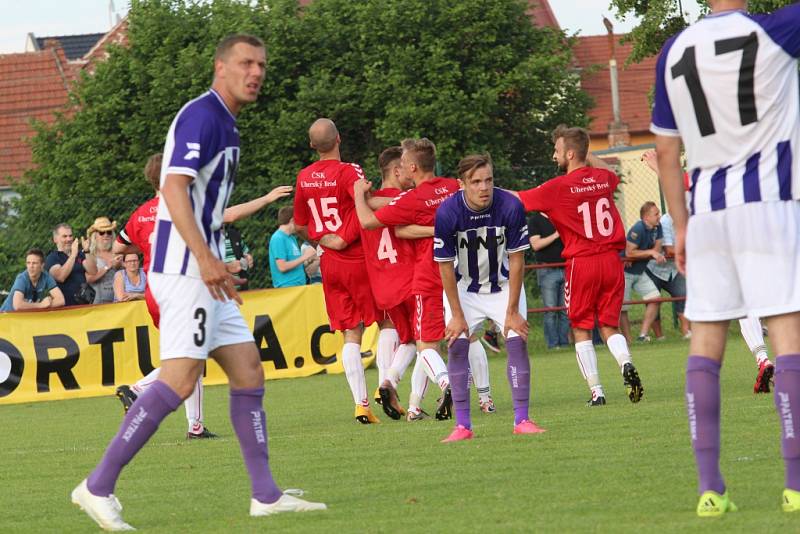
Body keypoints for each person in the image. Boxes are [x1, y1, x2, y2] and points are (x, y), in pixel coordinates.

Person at [71, 34, 325, 531]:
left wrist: (217, 260)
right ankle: (97, 485)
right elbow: (172, 187)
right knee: (181, 379)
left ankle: (265, 494)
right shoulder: (202, 116)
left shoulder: (227, 125)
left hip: (204, 270)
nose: (256, 72)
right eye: (246, 63)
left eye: (262, 65)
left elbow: (206, 207)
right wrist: (207, 259)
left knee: (249, 370)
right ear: (220, 67)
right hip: (183, 271)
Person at [652, 0, 800, 516]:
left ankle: (709, 490)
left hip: (707, 213)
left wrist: (681, 225)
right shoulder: (776, 30)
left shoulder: (673, 50)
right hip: (770, 204)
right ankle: (796, 487)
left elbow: (666, 154)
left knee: (706, 340)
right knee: (786, 335)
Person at [113, 154, 290, 439]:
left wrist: (146, 244)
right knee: (193, 354)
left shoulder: (141, 213)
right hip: (181, 290)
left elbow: (120, 248)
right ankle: (137, 390)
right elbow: (229, 215)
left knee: (193, 354)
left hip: (155, 292)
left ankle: (195, 425)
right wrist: (267, 199)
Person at [514, 125, 644, 407]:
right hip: (611, 261)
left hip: (582, 262)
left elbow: (518, 198)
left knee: (581, 327)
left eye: (558, 151)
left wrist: (476, 192)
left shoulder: (557, 187)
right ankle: (625, 364)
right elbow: (607, 171)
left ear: (570, 153)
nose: (554, 156)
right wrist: (585, 154)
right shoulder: (604, 179)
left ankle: (597, 391)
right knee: (609, 325)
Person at [435, 153, 547, 442]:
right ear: (462, 184)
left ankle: (522, 419)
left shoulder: (509, 205)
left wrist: (511, 311)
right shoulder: (447, 212)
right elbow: (445, 266)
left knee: (517, 340)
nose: (484, 187)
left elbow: (518, 259)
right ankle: (463, 426)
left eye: (489, 180)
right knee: (457, 346)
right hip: (464, 289)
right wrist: (458, 315)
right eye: (476, 182)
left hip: (504, 285)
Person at [353, 137, 459, 421]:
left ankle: (388, 383)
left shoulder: (393, 200)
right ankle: (425, 398)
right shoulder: (448, 188)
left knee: (411, 339)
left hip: (384, 283)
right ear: (398, 171)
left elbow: (373, 222)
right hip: (418, 276)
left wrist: (357, 197)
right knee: (430, 342)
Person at [293, 118, 382, 424]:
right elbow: (366, 203)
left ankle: (361, 404)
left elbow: (301, 224)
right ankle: (390, 386)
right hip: (358, 258)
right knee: (389, 322)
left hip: (328, 262)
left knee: (350, 332)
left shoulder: (304, 177)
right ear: (339, 139)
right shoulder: (349, 171)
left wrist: (321, 238)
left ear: (311, 146)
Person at [619, 201, 666, 342]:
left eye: (658, 213)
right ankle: (628, 340)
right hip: (625, 271)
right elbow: (629, 253)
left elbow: (657, 250)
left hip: (639, 271)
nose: (659, 216)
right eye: (656, 214)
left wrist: (649, 253)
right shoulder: (638, 228)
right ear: (646, 217)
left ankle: (642, 335)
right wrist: (650, 252)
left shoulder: (658, 227)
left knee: (655, 297)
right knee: (623, 308)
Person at [528, 210, 570, 349]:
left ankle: (564, 344)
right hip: (547, 269)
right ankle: (553, 345)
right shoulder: (535, 220)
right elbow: (536, 244)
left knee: (565, 310)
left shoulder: (560, 216)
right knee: (551, 309)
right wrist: (556, 234)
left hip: (565, 267)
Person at [45, 223, 97, 306]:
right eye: (64, 236)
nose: (69, 239)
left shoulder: (80, 254)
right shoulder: (52, 258)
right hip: (65, 309)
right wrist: (73, 255)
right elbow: (61, 276)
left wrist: (87, 251)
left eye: (70, 236)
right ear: (55, 239)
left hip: (83, 306)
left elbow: (93, 271)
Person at [1, 248, 65, 312]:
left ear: (42, 265)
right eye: (28, 263)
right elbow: (17, 306)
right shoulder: (22, 278)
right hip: (6, 316)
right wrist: (41, 305)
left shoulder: (46, 276)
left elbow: (61, 300)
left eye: (34, 263)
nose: (31, 266)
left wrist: (46, 305)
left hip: (24, 317)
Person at [269, 206, 316, 288]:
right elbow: (282, 267)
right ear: (292, 220)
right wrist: (305, 256)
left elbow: (295, 263)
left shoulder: (291, 238)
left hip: (298, 287)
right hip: (287, 288)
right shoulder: (278, 238)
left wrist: (309, 260)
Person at [85, 217, 123, 304]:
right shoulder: (90, 255)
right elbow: (89, 279)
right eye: (101, 233)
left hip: (118, 302)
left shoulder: (118, 252)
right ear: (95, 236)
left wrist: (120, 265)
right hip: (98, 303)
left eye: (109, 232)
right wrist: (107, 267)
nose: (106, 235)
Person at [223, 224, 253, 290]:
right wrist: (227, 267)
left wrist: (248, 259)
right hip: (219, 292)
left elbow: (245, 256)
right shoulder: (203, 239)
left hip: (241, 289)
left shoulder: (234, 235)